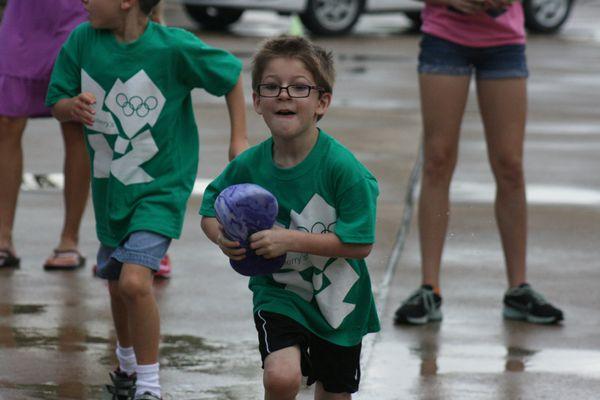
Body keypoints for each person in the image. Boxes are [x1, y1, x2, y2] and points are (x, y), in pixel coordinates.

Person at [46, 0, 248, 398]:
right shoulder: (82, 40)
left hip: (162, 186)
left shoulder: (173, 47)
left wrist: (238, 138)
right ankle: (125, 368)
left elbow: (230, 75)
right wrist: (71, 107)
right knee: (116, 281)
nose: (83, 1)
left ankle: (150, 386)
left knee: (135, 282)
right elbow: (57, 101)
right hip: (111, 187)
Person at [200, 36, 380, 400]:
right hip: (278, 292)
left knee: (334, 393)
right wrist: (221, 238)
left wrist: (290, 240)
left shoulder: (344, 170)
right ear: (257, 101)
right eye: (271, 86)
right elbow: (210, 208)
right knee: (281, 377)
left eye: (299, 87)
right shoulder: (249, 165)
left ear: (322, 103)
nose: (284, 94)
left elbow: (360, 243)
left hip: (339, 300)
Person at [394, 0, 563, 325]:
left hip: (505, 43)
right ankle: (429, 288)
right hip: (443, 39)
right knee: (437, 160)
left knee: (510, 165)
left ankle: (518, 289)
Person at [0, 0, 89, 270]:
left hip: (77, 13)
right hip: (25, 14)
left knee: (77, 121)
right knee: (6, 120)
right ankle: (3, 236)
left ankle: (69, 238)